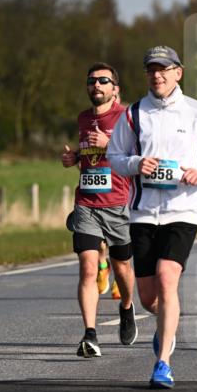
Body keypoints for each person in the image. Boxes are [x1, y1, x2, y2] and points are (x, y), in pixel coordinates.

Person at [108, 46, 197, 388]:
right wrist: (136, 164)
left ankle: (162, 363)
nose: (157, 75)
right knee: (149, 297)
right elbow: (115, 156)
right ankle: (166, 324)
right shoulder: (134, 113)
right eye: (151, 69)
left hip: (184, 209)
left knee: (168, 279)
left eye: (164, 69)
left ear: (178, 72)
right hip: (143, 213)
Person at [60, 62, 137, 357]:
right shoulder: (82, 118)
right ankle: (90, 335)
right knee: (88, 268)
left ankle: (127, 306)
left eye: (103, 81)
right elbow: (88, 155)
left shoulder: (127, 118)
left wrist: (109, 144)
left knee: (121, 268)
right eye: (92, 81)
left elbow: (137, 157)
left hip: (118, 204)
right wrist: (74, 159)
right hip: (86, 204)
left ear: (114, 89)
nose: (97, 85)